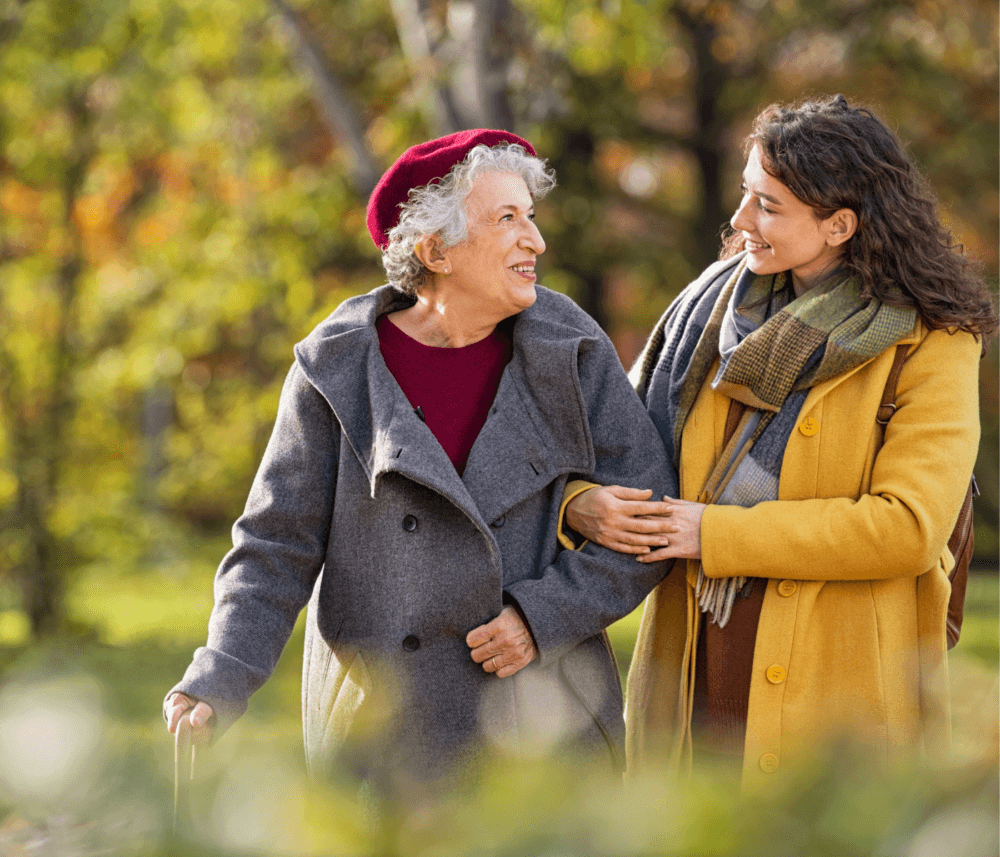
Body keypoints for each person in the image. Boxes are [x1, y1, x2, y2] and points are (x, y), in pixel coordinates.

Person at [164, 130, 673, 796]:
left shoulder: (570, 347)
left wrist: (542, 615)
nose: (536, 241)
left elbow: (652, 516)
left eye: (531, 215)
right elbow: (274, 544)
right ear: (436, 250)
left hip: (546, 724)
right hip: (384, 731)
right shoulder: (337, 369)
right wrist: (219, 674)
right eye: (507, 219)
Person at [563, 95, 997, 789]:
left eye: (768, 205)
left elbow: (909, 526)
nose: (739, 222)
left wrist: (718, 533)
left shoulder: (934, 342)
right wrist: (582, 503)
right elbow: (606, 447)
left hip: (839, 697)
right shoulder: (705, 317)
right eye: (744, 194)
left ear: (839, 224)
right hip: (692, 672)